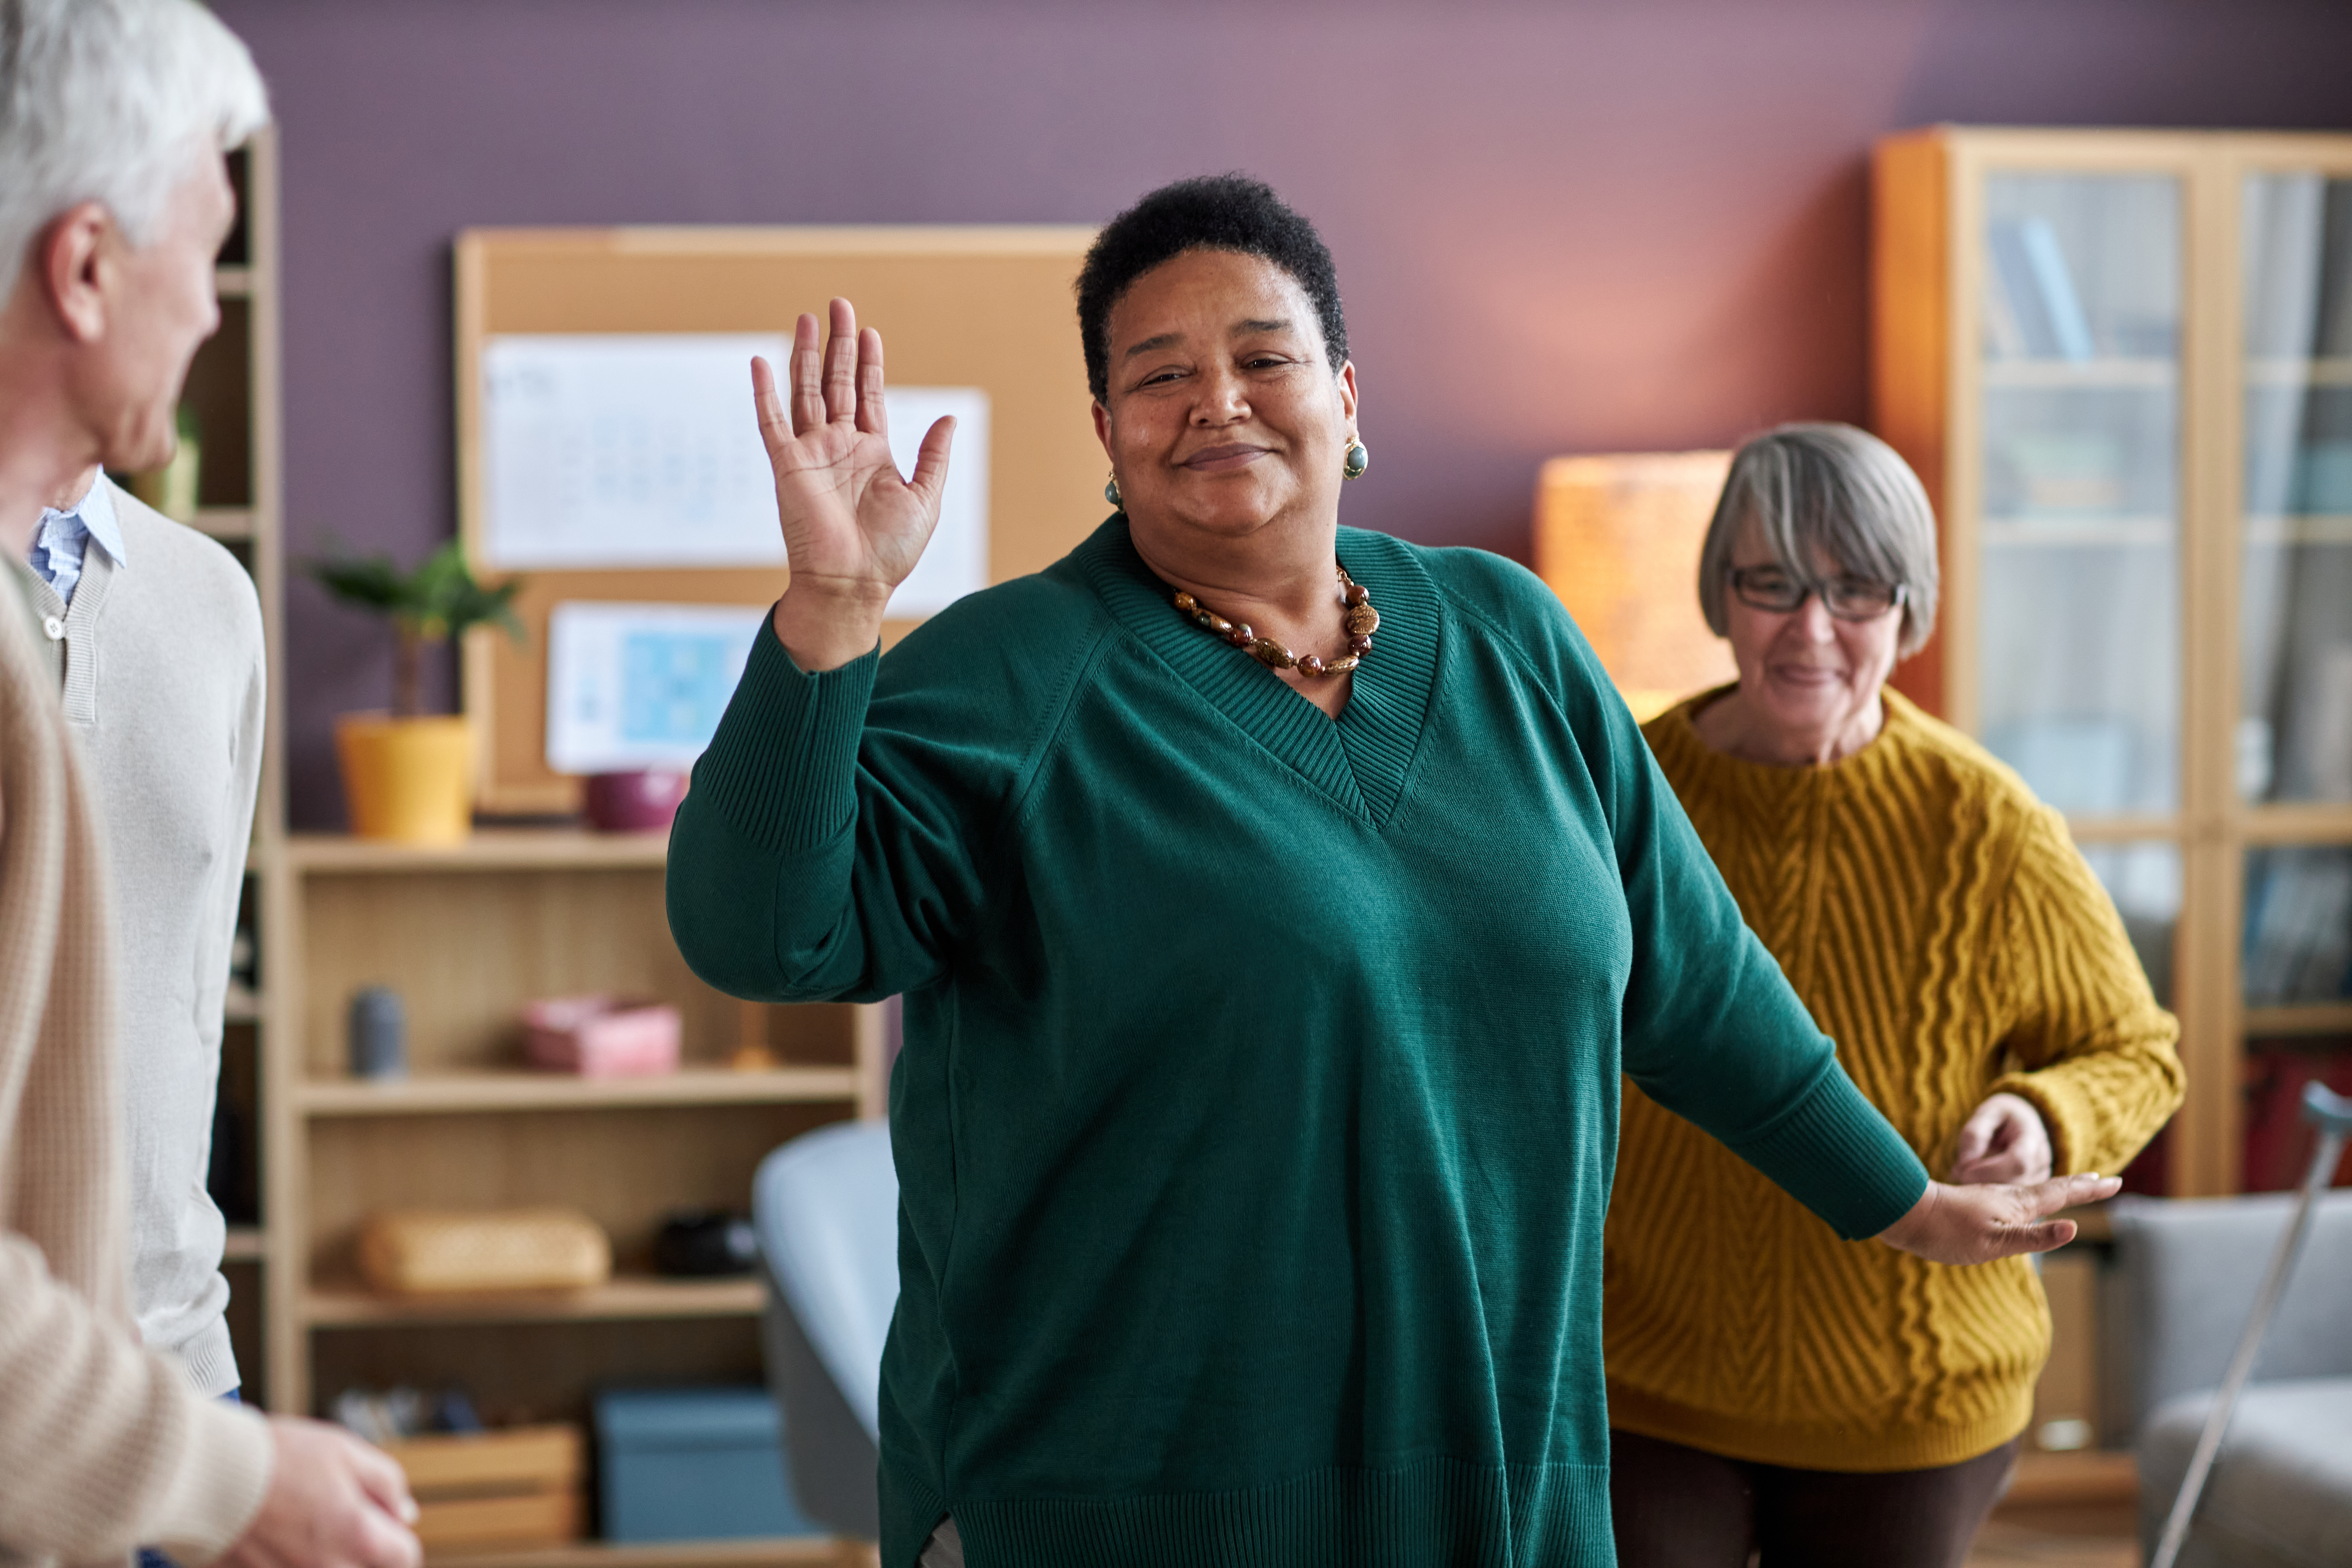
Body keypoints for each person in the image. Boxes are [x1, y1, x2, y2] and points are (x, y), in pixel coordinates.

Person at [666, 175, 2118, 1568]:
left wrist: (1898, 1202)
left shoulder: (1511, 637)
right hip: (1127, 1498)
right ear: (1107, 432)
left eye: (1262, 356)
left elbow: (1695, 978)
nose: (1217, 400)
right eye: (1160, 373)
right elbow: (762, 938)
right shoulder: (1010, 675)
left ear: (1347, 396)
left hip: (1500, 1477)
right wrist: (835, 610)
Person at [1602, 423, 2183, 1568]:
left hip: (1913, 1395)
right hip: (1649, 1375)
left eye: (1856, 591)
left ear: (1908, 612)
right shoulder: (1624, 794)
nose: (1811, 629)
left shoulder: (1987, 824)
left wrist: (2042, 1114)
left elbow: (2137, 1051)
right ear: (1722, 592)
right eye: (1772, 582)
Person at [0, 3, 419, 1565]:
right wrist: (229, 1475)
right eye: (208, 249)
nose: (216, 312)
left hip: (176, 1398)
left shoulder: (209, 606)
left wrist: (213, 1445)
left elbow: (177, 1016)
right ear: (90, 267)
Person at [24, 461, 265, 1422]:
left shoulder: (214, 596)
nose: (208, 313)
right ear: (79, 298)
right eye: (188, 293)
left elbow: (200, 988)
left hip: (180, 1365)